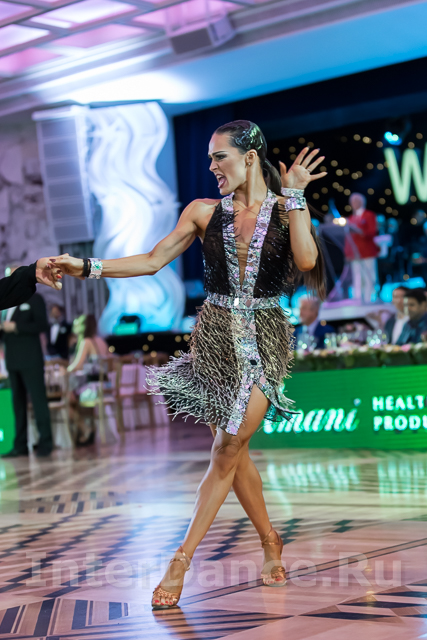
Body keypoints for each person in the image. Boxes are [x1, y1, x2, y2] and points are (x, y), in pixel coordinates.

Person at [52, 120, 326, 607]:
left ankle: (181, 558)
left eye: (220, 157)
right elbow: (151, 260)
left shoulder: (287, 208)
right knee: (233, 450)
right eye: (210, 159)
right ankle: (270, 541)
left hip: (265, 339)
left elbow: (306, 261)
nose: (212, 167)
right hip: (215, 341)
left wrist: (297, 195)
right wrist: (86, 266)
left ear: (249, 156)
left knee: (227, 447)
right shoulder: (202, 212)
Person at [1, 269, 53, 458]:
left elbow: (42, 325)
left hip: (31, 358)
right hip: (12, 359)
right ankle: (20, 445)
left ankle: (45, 442)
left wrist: (16, 327)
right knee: (18, 404)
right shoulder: (5, 305)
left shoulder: (34, 299)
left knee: (38, 400)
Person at [67, 314, 109, 445]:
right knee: (73, 396)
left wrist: (65, 370)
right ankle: (88, 428)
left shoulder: (86, 342)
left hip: (93, 389)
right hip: (106, 386)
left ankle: (85, 428)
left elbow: (77, 365)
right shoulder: (101, 341)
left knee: (66, 401)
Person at [344, 193, 379, 303]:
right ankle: (358, 299)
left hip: (367, 252)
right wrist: (347, 253)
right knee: (357, 277)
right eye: (352, 201)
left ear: (361, 202)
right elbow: (348, 238)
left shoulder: (369, 215)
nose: (353, 203)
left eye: (355, 201)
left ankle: (369, 299)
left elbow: (372, 232)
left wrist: (359, 231)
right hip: (355, 254)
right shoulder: (351, 218)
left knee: (369, 276)